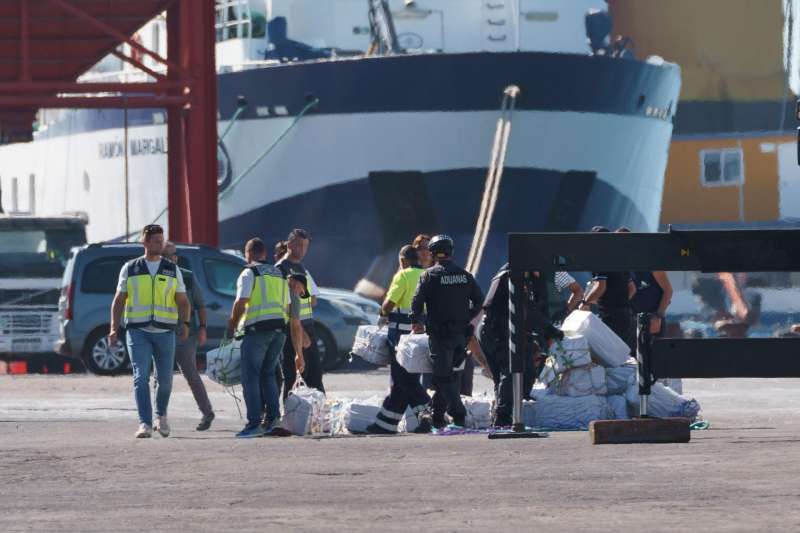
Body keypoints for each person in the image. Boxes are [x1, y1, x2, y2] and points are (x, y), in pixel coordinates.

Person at [109, 224, 190, 438]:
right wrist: (113, 328)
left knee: (165, 380)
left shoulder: (172, 269)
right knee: (140, 376)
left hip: (165, 332)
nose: (159, 244)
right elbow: (119, 300)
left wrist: (186, 323)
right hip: (138, 331)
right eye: (155, 241)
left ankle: (160, 416)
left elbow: (183, 301)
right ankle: (144, 423)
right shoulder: (131, 268)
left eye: (161, 240)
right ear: (144, 242)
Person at [479, 264, 567, 427]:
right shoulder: (508, 276)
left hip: (516, 332)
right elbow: (491, 309)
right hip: (497, 333)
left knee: (528, 371)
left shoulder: (529, 279)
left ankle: (516, 407)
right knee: (509, 373)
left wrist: (547, 329)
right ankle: (502, 418)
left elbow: (532, 309)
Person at [411, 235, 483, 429]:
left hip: (439, 335)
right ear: (451, 252)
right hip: (460, 335)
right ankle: (437, 416)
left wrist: (420, 321)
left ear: (433, 253)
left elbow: (416, 304)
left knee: (443, 377)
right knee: (450, 376)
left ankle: (458, 415)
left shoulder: (428, 275)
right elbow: (479, 300)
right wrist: (467, 317)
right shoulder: (465, 275)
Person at [227, 238, 296, 438]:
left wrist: (232, 323)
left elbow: (242, 301)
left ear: (247, 254)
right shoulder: (280, 274)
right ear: (264, 254)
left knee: (250, 377)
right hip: (279, 330)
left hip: (258, 330)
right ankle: (274, 420)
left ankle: (254, 424)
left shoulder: (249, 272)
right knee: (268, 375)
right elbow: (289, 306)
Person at [366, 245, 432, 434]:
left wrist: (382, 313)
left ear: (402, 260)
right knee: (404, 382)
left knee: (403, 380)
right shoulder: (427, 275)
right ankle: (385, 424)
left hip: (400, 338)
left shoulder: (402, 275)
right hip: (422, 337)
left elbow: (389, 303)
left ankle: (433, 414)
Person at [161, 241, 215, 431]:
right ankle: (161, 417)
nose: (172, 259)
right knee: (162, 377)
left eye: (174, 255)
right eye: (168, 256)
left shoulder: (188, 277)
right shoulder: (154, 277)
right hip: (161, 333)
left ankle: (207, 412)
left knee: (191, 374)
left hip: (185, 334)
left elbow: (200, 304)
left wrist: (202, 328)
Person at [276, 228, 325, 398]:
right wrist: (301, 334)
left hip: (306, 327)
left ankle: (318, 418)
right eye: (298, 245)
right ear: (289, 244)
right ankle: (290, 419)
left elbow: (313, 300)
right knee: (293, 379)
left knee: (315, 378)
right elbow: (284, 307)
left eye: (305, 246)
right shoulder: (281, 269)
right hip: (294, 331)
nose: (302, 250)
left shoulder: (301, 268)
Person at [579, 226, 636, 352]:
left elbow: (601, 286)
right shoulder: (620, 259)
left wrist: (585, 303)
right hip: (625, 314)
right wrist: (619, 301)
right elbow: (632, 289)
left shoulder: (600, 259)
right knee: (623, 356)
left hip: (611, 316)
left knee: (608, 355)